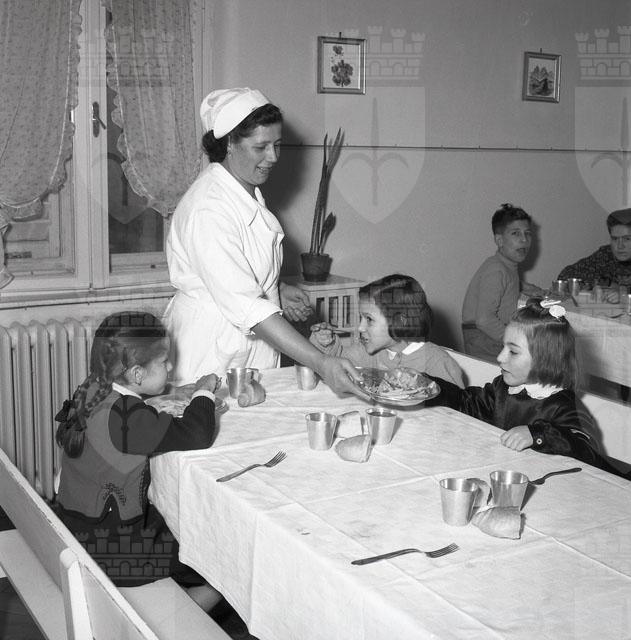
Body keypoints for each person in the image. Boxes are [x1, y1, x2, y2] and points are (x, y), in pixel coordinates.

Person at [164, 87, 364, 398]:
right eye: (261, 147)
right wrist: (321, 362)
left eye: (277, 145)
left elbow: (233, 269)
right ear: (230, 143)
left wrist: (276, 289)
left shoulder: (243, 191)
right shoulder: (208, 208)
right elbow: (243, 303)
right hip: (209, 354)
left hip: (245, 349)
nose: (273, 157)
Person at [54, 312, 223, 611]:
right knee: (220, 564)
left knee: (179, 526)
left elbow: (124, 409)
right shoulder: (128, 420)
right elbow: (197, 433)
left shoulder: (91, 388)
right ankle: (168, 624)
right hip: (116, 551)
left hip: (78, 527)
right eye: (164, 361)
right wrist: (204, 391)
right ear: (136, 374)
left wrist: (173, 391)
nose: (170, 367)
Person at [428, 299, 628, 478]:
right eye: (503, 347)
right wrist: (430, 387)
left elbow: (584, 449)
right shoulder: (503, 388)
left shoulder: (562, 404)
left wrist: (537, 434)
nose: (500, 357)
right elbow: (468, 403)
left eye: (513, 352)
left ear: (545, 360)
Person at [310, 274, 465, 387]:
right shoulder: (369, 352)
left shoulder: (437, 362)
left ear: (400, 322)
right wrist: (326, 343)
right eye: (361, 318)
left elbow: (458, 410)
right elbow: (334, 366)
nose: (360, 327)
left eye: (369, 319)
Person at [461, 203, 543, 362]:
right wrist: (515, 341)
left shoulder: (504, 266)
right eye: (515, 233)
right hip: (484, 338)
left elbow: (508, 284)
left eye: (528, 233)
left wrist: (528, 288)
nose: (524, 239)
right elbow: (484, 320)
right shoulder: (496, 270)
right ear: (499, 240)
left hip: (489, 335)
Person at [557, 207, 631, 301]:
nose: (620, 246)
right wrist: (604, 284)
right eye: (615, 239)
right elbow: (565, 275)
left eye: (627, 239)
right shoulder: (605, 255)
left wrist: (624, 293)